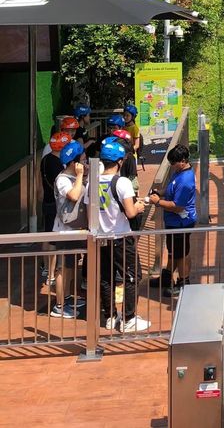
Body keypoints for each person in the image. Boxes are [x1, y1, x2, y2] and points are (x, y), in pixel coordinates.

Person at [93, 138, 149, 332]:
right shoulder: (121, 182)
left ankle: (110, 316)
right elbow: (131, 212)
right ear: (119, 161)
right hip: (120, 237)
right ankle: (129, 318)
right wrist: (139, 206)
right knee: (132, 276)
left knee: (106, 277)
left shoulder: (93, 180)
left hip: (100, 238)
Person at [149, 144, 197, 297]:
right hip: (173, 222)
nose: (172, 166)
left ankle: (183, 282)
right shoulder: (178, 172)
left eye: (174, 163)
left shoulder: (185, 181)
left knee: (181, 254)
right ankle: (167, 276)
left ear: (183, 161)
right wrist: (159, 192)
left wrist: (157, 202)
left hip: (181, 222)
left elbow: (177, 206)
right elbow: (170, 189)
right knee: (173, 252)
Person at [52, 140, 87, 318]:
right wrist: (81, 176)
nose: (85, 160)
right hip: (64, 231)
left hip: (75, 229)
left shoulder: (75, 177)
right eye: (82, 158)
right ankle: (59, 305)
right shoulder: (63, 179)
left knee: (71, 267)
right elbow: (73, 195)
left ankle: (67, 297)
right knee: (62, 268)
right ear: (74, 163)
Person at [40, 131, 70, 285]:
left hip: (47, 202)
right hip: (55, 205)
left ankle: (46, 268)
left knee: (47, 236)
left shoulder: (45, 159)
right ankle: (51, 274)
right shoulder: (56, 163)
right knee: (53, 240)